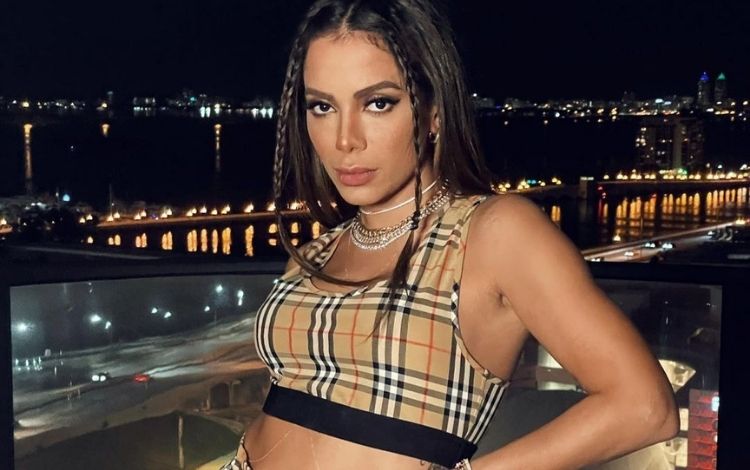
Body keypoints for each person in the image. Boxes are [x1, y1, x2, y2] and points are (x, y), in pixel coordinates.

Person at [222, 0, 679, 468]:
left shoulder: (491, 235)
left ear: (434, 112)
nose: (345, 139)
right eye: (322, 107)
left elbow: (644, 407)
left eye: (378, 103)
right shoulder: (316, 253)